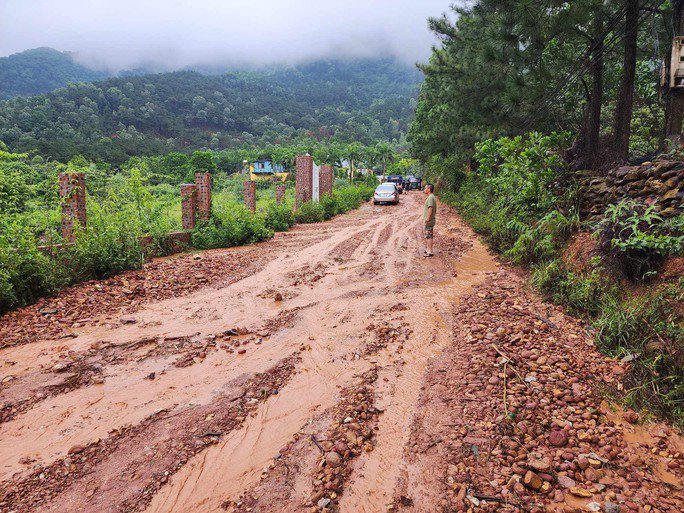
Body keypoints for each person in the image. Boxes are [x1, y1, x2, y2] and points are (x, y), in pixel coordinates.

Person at [423, 184, 436, 257]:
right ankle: (428, 249)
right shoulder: (431, 197)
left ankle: (430, 251)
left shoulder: (430, 197)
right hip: (430, 220)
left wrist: (427, 219)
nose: (424, 189)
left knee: (429, 236)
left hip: (429, 220)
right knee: (428, 235)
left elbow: (430, 208)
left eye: (425, 188)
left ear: (429, 189)